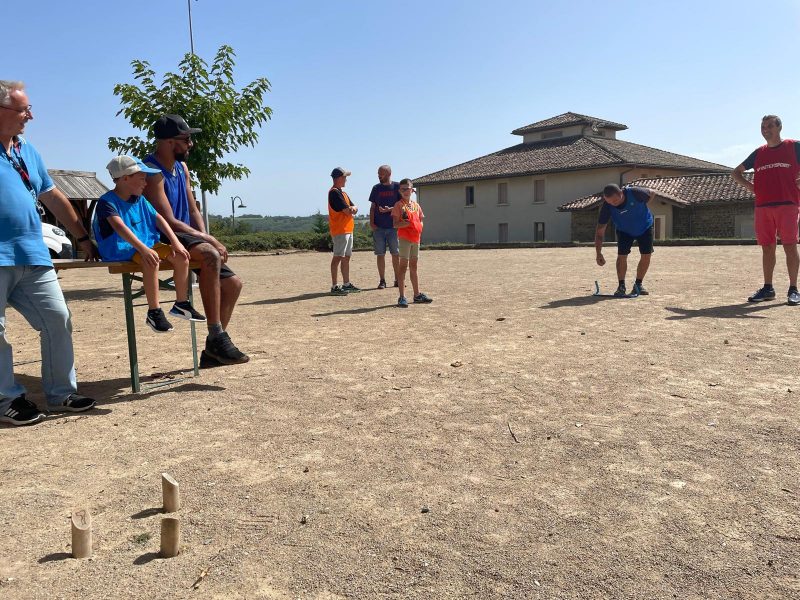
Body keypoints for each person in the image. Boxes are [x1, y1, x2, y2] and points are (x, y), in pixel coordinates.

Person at [0, 80, 98, 426]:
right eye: (24, 109)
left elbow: (52, 196)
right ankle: (7, 400)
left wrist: (83, 236)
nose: (31, 116)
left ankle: (61, 394)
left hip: (32, 253)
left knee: (58, 319)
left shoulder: (26, 149)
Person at [142, 114, 248, 366]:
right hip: (163, 236)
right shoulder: (151, 171)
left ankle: (214, 348)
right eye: (186, 139)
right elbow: (167, 219)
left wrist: (205, 237)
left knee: (233, 284)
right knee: (210, 255)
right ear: (168, 142)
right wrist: (209, 239)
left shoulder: (182, 168)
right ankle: (217, 334)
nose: (191, 144)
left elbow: (192, 211)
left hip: (186, 235)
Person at [93, 156, 206, 333]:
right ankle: (154, 312)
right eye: (142, 178)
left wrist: (176, 242)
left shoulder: (140, 199)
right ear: (125, 178)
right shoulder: (107, 202)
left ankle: (181, 304)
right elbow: (120, 227)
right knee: (150, 259)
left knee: (181, 257)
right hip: (122, 249)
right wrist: (144, 249)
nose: (146, 183)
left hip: (147, 245)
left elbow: (159, 219)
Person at [732, 115, 800, 305]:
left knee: (789, 245)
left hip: (788, 204)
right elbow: (735, 173)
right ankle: (768, 288)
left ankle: (794, 289)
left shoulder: (794, 146)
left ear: (779, 127)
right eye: (763, 126)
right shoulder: (758, 153)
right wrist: (751, 187)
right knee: (767, 247)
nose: (765, 129)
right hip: (763, 207)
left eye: (770, 126)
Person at [594, 183, 657, 296]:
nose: (614, 204)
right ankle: (621, 286)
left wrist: (643, 206)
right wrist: (598, 253)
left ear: (621, 193)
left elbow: (652, 193)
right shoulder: (607, 206)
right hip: (624, 230)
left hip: (645, 226)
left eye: (615, 201)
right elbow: (600, 232)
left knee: (646, 255)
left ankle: (638, 284)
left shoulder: (635, 192)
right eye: (610, 202)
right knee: (622, 256)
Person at [391, 179, 433, 307]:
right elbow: (395, 224)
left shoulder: (416, 205)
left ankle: (417, 295)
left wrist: (419, 227)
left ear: (412, 189)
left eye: (407, 188)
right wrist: (406, 223)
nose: (405, 191)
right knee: (403, 266)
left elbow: (421, 219)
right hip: (404, 239)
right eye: (402, 189)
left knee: (414, 266)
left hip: (416, 239)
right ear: (399, 191)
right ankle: (402, 297)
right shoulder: (398, 205)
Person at [328, 167, 360, 295]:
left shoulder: (343, 193)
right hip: (340, 230)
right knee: (338, 257)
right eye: (344, 177)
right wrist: (351, 209)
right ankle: (334, 286)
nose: (346, 179)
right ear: (338, 178)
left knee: (346, 257)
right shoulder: (334, 193)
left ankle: (346, 284)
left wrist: (352, 209)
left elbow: (354, 207)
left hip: (347, 229)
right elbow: (347, 210)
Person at [368, 165, 400, 289]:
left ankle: (398, 280)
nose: (378, 175)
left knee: (395, 254)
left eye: (381, 173)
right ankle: (382, 281)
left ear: (388, 173)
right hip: (379, 228)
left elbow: (402, 205)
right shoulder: (376, 188)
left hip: (394, 227)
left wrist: (390, 209)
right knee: (380, 254)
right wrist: (372, 223)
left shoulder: (397, 187)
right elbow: (372, 207)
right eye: (378, 173)